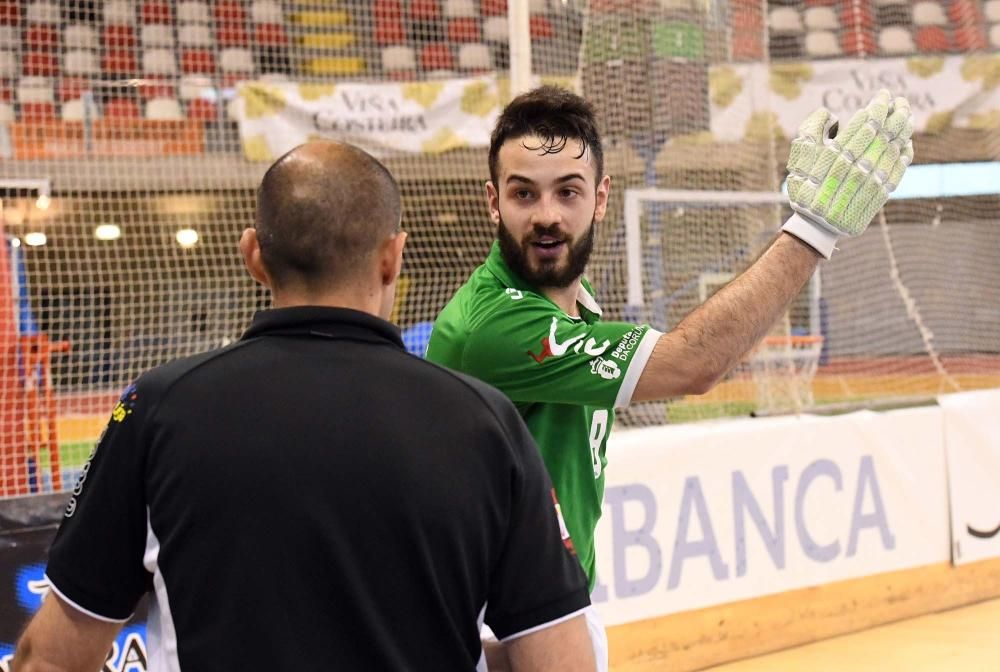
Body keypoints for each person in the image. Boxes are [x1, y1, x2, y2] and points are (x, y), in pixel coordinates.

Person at [13, 141, 595, 672]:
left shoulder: (156, 410)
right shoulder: (487, 423)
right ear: (393, 258)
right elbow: (561, 662)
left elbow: (50, 661)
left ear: (253, 255)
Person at [426, 86, 914, 668]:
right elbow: (693, 363)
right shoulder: (497, 324)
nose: (548, 216)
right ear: (492, 201)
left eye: (568, 191)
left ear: (601, 198)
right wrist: (813, 230)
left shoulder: (577, 304)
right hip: (505, 620)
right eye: (523, 193)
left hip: (548, 604)